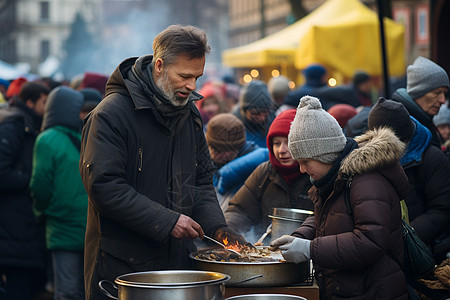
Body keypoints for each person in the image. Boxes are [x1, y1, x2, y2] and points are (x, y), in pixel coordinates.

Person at [79, 25, 248, 300]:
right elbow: (104, 186)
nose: (193, 86)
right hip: (123, 269)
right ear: (159, 66)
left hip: (178, 264)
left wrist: (218, 228)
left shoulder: (189, 114)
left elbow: (202, 181)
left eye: (197, 77)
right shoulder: (110, 115)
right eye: (184, 76)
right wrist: (167, 221)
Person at [270, 96, 408, 299]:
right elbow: (328, 216)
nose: (301, 169)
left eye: (306, 161)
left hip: (374, 291)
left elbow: (371, 241)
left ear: (326, 154)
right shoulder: (332, 178)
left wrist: (310, 248)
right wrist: (298, 237)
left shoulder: (367, 181)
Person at [368, 98, 450, 264]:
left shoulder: (432, 158)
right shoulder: (369, 157)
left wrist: (406, 237)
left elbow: (442, 210)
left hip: (421, 252)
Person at [29, 86, 87, 300]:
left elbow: (40, 185)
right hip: (90, 225)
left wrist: (40, 211)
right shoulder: (85, 136)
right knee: (88, 290)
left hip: (62, 225)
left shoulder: (46, 139)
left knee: (67, 292)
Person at [225, 109, 313, 241]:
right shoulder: (264, 172)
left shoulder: (315, 174)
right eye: (276, 143)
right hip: (269, 250)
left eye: (288, 143)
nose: (281, 150)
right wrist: (228, 233)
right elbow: (240, 210)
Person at [0, 82, 49, 299]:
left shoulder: (29, 123)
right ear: (30, 102)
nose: (47, 107)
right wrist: (33, 180)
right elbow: (2, 173)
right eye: (44, 102)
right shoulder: (15, 125)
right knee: (17, 287)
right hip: (14, 223)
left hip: (22, 224)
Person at [392, 56, 449, 147]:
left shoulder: (424, 119)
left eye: (444, 93)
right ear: (418, 92)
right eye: (437, 93)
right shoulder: (402, 127)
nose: (442, 100)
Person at [232, 80, 275, 147]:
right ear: (244, 110)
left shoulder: (274, 122)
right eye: (255, 114)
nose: (262, 118)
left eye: (265, 112)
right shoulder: (232, 126)